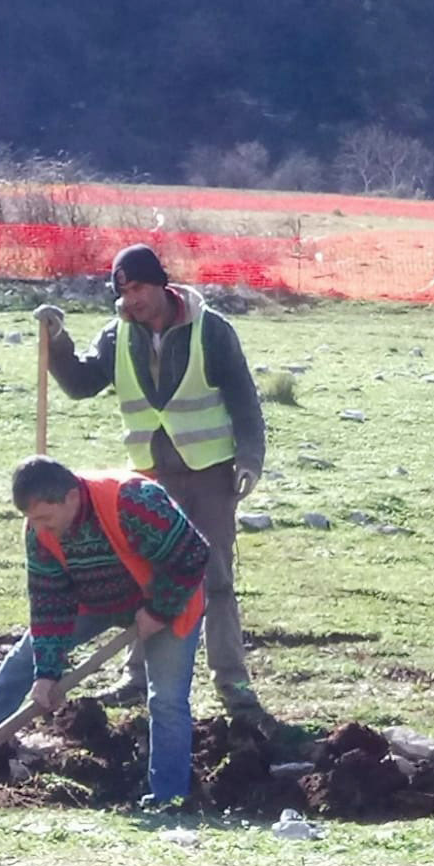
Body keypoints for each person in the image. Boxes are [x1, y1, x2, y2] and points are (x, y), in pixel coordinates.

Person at [32, 244, 266, 718]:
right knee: (147, 579)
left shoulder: (210, 330)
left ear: (160, 282)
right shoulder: (117, 336)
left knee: (216, 579)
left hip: (210, 473)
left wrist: (250, 458)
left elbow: (243, 397)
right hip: (149, 480)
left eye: (138, 287)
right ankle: (136, 679)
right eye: (123, 291)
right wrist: (56, 341)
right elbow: (80, 384)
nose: (131, 299)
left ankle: (233, 684)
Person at [0, 456, 209, 805]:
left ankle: (168, 798)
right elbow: (48, 603)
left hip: (165, 598)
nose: (39, 528)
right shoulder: (40, 533)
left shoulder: (133, 500)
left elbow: (193, 553)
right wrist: (47, 674)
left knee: (167, 700)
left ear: (71, 497)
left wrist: (159, 610)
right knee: (28, 655)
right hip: (94, 601)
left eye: (44, 518)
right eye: (32, 520)